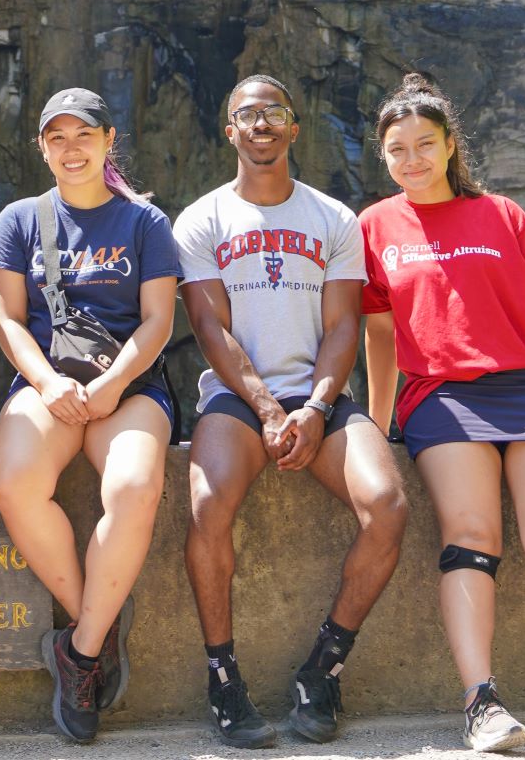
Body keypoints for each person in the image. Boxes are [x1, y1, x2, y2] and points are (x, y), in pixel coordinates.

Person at [361, 71, 525, 755]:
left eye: (423, 144)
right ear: (383, 156)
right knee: (469, 533)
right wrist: (378, 427)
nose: (411, 159)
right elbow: (379, 337)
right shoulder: (375, 225)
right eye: (397, 148)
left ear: (447, 146)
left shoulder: (502, 214)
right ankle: (481, 702)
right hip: (439, 395)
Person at [174, 72, 408, 749]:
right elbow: (209, 327)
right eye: (246, 113)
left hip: (321, 395)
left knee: (387, 503)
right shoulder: (202, 219)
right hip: (236, 398)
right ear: (230, 131)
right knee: (205, 504)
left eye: (274, 111)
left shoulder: (332, 217)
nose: (261, 123)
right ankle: (223, 678)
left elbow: (342, 326)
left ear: (293, 128)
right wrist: (268, 409)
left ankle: (321, 668)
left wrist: (312, 406)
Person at [0, 86, 180, 744]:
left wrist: (115, 381)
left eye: (83, 135)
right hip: (48, 387)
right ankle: (92, 621)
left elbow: (157, 320)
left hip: (129, 389)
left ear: (107, 140)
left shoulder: (144, 222)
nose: (71, 148)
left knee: (131, 487)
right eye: (57, 137)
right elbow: (8, 320)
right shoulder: (18, 219)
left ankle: (82, 649)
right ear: (42, 146)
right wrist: (45, 382)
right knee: (12, 480)